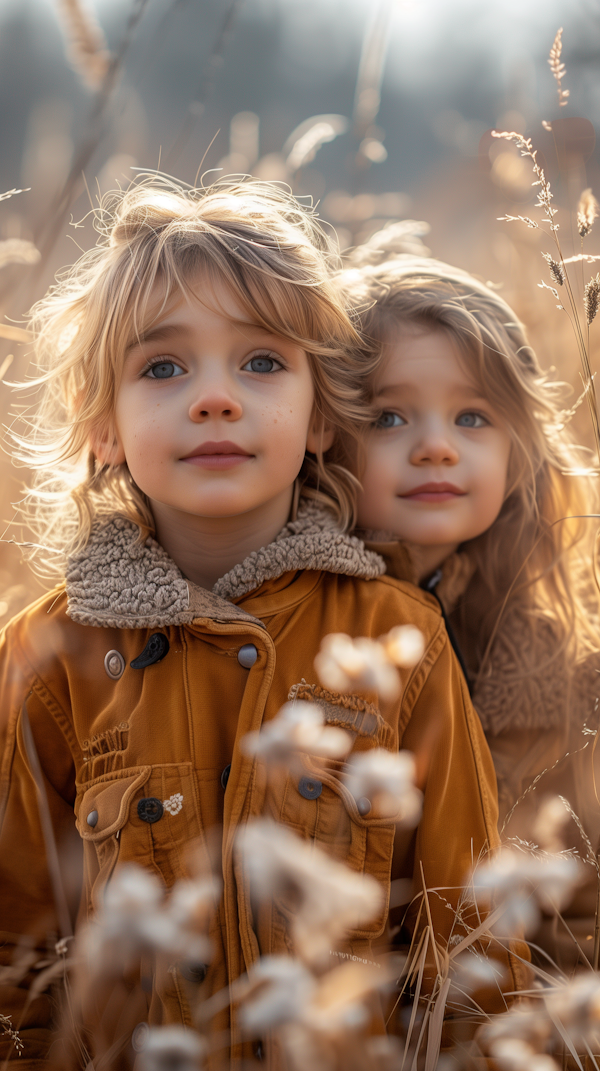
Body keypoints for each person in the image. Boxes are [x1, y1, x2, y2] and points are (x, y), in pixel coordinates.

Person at [0, 180, 524, 1070]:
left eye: (261, 362)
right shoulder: (52, 651)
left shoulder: (396, 637)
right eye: (162, 368)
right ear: (103, 426)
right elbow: (17, 960)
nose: (214, 398)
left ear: (323, 416)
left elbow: (469, 942)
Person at [340, 247, 600, 966]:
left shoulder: (549, 650)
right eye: (388, 415)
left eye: (473, 417)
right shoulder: (305, 622)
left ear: (520, 451)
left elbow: (579, 897)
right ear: (323, 431)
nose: (436, 448)